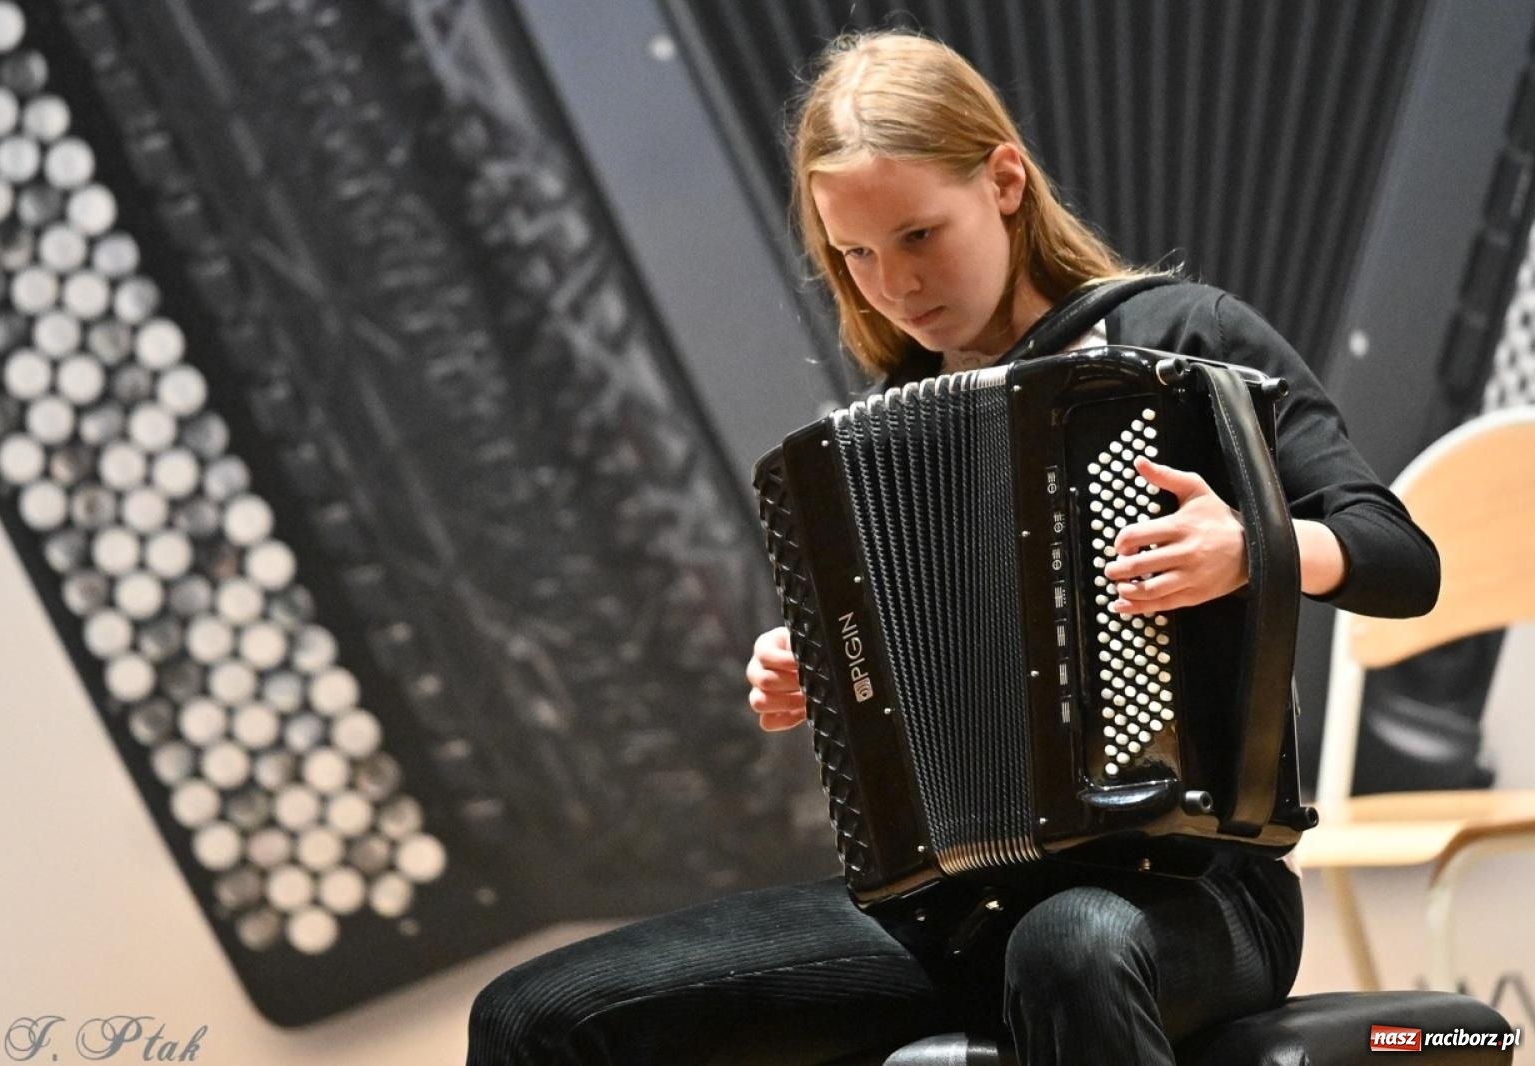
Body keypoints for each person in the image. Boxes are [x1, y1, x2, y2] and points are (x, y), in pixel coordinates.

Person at [467, 30, 1440, 1065]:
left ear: (1005, 181)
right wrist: (819, 664)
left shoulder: (1183, 337)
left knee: (1070, 942)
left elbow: (1399, 555)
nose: (893, 284)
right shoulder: (893, 426)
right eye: (855, 255)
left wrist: (1255, 546)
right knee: (534, 1013)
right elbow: (919, 687)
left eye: (919, 235)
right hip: (953, 906)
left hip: (1195, 893)